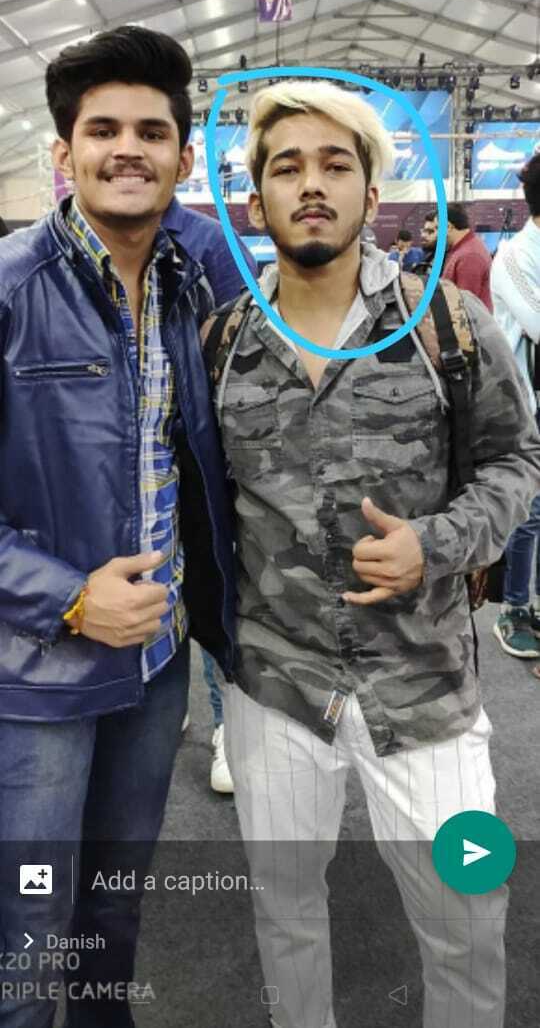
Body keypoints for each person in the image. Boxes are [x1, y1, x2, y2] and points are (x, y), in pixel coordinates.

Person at [205, 81, 540, 1028]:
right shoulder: (223, 340)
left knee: (467, 917)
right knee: (285, 914)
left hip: (424, 686)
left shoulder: (448, 325)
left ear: (370, 190)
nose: (311, 184)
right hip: (276, 686)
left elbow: (517, 458)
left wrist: (438, 544)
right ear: (257, 201)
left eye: (335, 164)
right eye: (287, 167)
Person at [0, 25, 236, 1027]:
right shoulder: (11, 288)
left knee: (111, 908)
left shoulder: (193, 286)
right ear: (64, 153)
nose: (127, 149)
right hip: (34, 676)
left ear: (184, 157)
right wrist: (68, 598)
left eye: (152, 131)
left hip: (156, 666)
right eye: (103, 131)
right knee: (28, 927)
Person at [162, 194, 257, 791]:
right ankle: (166, 700)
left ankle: (227, 726)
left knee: (214, 583)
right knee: (151, 585)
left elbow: (248, 346)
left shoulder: (210, 243)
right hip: (127, 464)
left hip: (204, 454)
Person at [490, 153, 540, 665]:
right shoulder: (512, 256)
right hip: (527, 405)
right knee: (528, 513)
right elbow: (537, 322)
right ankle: (514, 609)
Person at [443, 201, 493, 310]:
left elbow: (466, 308)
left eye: (437, 228)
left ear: (448, 227)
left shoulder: (469, 256)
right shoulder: (464, 249)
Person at [411, 209, 438, 277]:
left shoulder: (451, 260)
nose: (423, 235)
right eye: (424, 231)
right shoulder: (430, 256)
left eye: (430, 231)